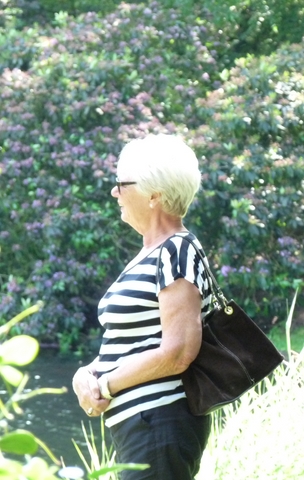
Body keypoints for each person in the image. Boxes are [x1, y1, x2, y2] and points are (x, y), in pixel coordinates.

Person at [72, 134, 212, 480]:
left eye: (122, 184)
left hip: (159, 423)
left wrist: (105, 385)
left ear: (154, 195)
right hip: (144, 426)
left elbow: (178, 351)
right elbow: (135, 343)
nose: (114, 192)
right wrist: (86, 375)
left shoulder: (176, 250)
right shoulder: (153, 253)